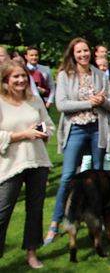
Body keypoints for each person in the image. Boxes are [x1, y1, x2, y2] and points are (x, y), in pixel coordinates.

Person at [47, 37, 110, 244]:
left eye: (86, 51)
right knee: (68, 176)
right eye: (79, 52)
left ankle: (97, 222)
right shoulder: (65, 76)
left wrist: (103, 101)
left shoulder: (100, 74)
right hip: (75, 129)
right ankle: (55, 223)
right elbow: (62, 105)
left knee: (97, 176)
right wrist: (89, 102)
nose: (83, 55)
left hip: (97, 129)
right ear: (73, 54)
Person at [0, 61, 53, 269]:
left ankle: (32, 252)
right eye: (15, 77)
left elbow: (49, 125)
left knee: (35, 210)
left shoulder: (34, 101)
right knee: (3, 212)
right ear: (6, 80)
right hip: (11, 165)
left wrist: (42, 130)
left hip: (37, 161)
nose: (21, 80)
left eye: (23, 76)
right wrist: (23, 134)